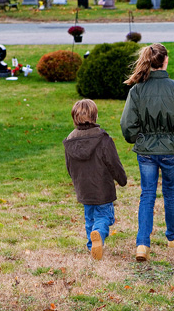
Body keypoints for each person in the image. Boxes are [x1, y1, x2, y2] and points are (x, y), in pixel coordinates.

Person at [120, 43, 174, 262]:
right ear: (165, 61)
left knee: (147, 194)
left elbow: (127, 125)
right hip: (170, 150)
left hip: (147, 151)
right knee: (170, 192)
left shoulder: (138, 90)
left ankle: (142, 243)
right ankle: (172, 235)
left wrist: (139, 139)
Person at [64, 99, 127, 261]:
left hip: (83, 189)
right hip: (102, 188)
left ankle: (92, 246)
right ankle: (98, 234)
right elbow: (113, 163)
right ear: (95, 116)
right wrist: (122, 179)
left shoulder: (69, 141)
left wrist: (77, 182)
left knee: (89, 218)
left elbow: (69, 167)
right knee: (104, 217)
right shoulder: (103, 139)